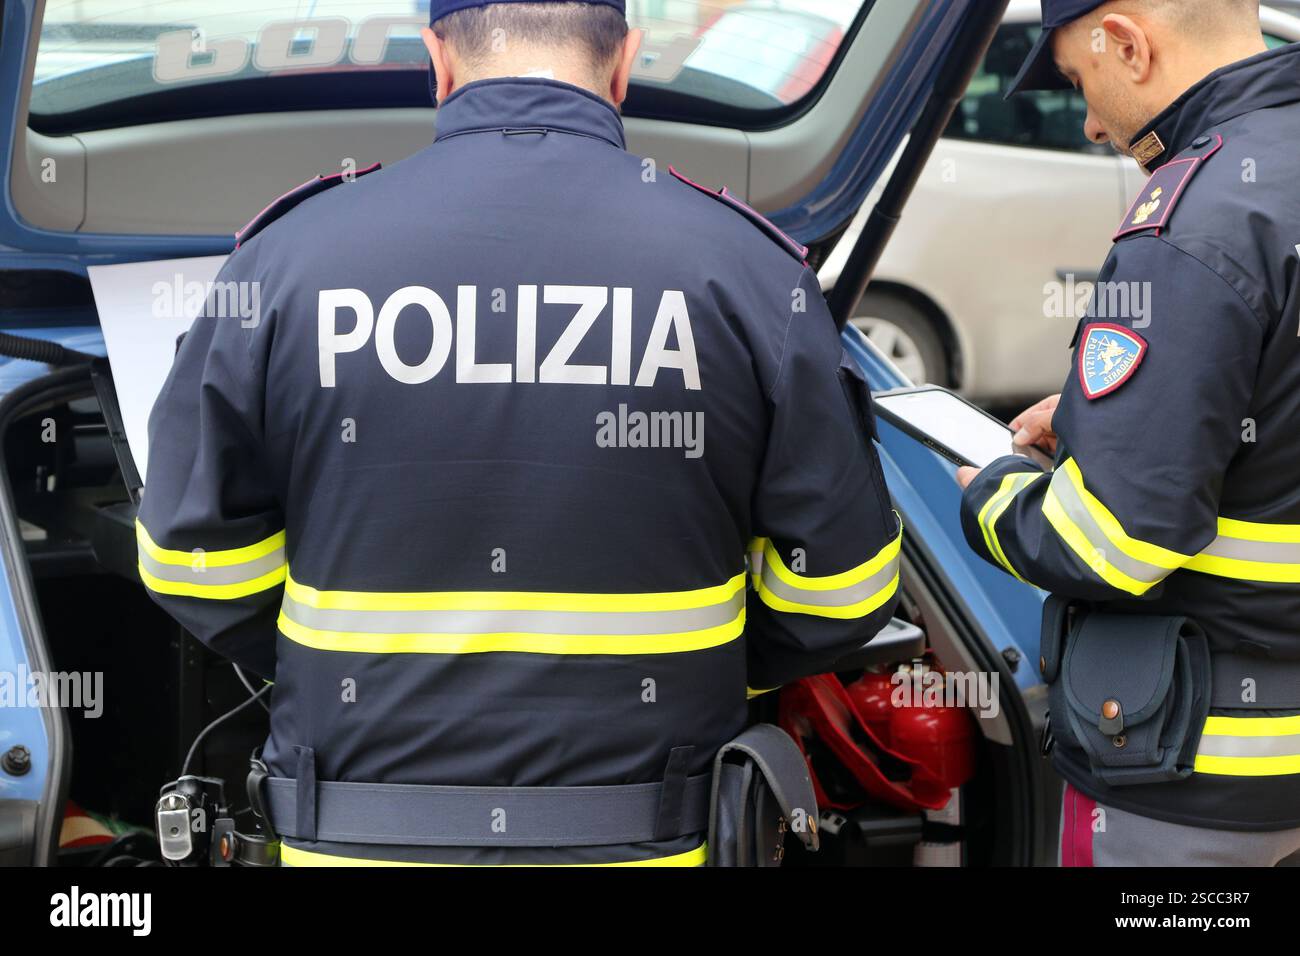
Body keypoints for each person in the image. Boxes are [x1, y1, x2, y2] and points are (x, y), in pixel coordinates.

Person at [135, 0, 903, 866]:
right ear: (625, 67)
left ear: (438, 62)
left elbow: (187, 557)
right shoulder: (749, 274)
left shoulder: (284, 262)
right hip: (651, 835)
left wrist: (337, 674)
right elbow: (843, 585)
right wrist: (717, 668)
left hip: (352, 835)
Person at [957, 0, 1300, 865]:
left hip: (1196, 790)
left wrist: (991, 491)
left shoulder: (1193, 218)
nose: (1089, 120)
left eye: (1080, 80)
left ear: (1128, 41)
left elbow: (1108, 542)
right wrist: (1098, 420)